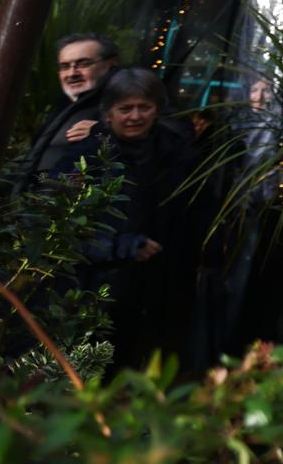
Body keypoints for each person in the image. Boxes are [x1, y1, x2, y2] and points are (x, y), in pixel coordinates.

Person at [85, 69, 199, 368]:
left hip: (155, 286)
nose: (135, 116)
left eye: (144, 107)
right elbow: (61, 227)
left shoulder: (175, 152)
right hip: (97, 287)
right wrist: (121, 246)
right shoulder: (88, 155)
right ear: (108, 114)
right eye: (125, 109)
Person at [21, 32, 118, 181]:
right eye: (65, 66)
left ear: (111, 63)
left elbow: (157, 133)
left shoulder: (123, 100)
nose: (72, 73)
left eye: (84, 64)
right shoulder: (63, 106)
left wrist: (105, 130)